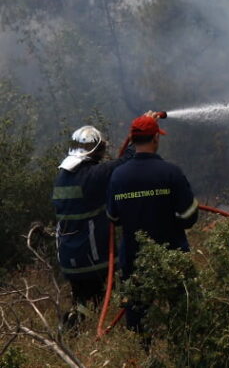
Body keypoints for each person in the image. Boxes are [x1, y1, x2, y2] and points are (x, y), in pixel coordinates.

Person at [106, 111, 199, 332]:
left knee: (137, 319)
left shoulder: (118, 176)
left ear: (132, 140)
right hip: (172, 256)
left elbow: (113, 217)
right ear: (156, 138)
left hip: (134, 260)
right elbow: (189, 216)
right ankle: (182, 344)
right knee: (183, 313)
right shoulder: (171, 173)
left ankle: (142, 348)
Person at [52, 123, 135, 328]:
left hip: (69, 257)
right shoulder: (92, 175)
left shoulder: (62, 177)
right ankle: (76, 327)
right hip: (91, 256)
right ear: (95, 150)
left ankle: (71, 326)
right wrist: (137, 136)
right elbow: (126, 160)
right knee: (106, 292)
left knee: (84, 299)